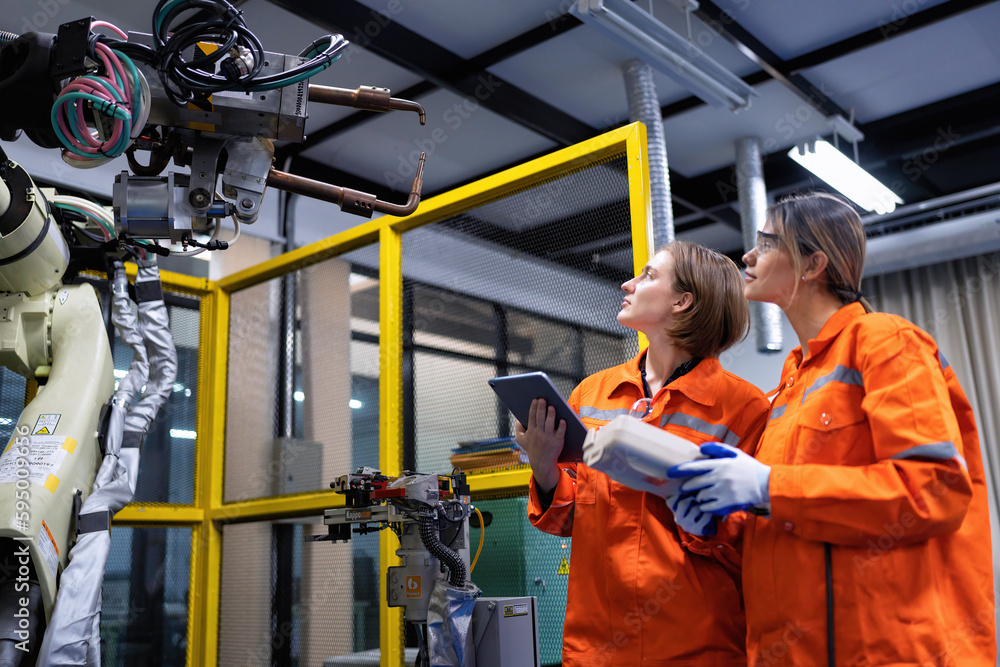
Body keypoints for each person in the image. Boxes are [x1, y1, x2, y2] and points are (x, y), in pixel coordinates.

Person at [668, 192, 996, 665]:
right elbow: (794, 519)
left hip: (890, 651)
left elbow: (934, 490)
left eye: (766, 242)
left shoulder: (884, 342)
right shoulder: (789, 385)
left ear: (812, 263)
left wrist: (766, 484)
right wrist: (716, 525)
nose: (748, 255)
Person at [517, 240, 772, 666]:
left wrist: (689, 505)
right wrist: (544, 467)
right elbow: (570, 519)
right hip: (595, 647)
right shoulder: (592, 393)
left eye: (649, 275)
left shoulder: (743, 409)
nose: (628, 283)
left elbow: (749, 543)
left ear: (682, 301)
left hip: (693, 648)